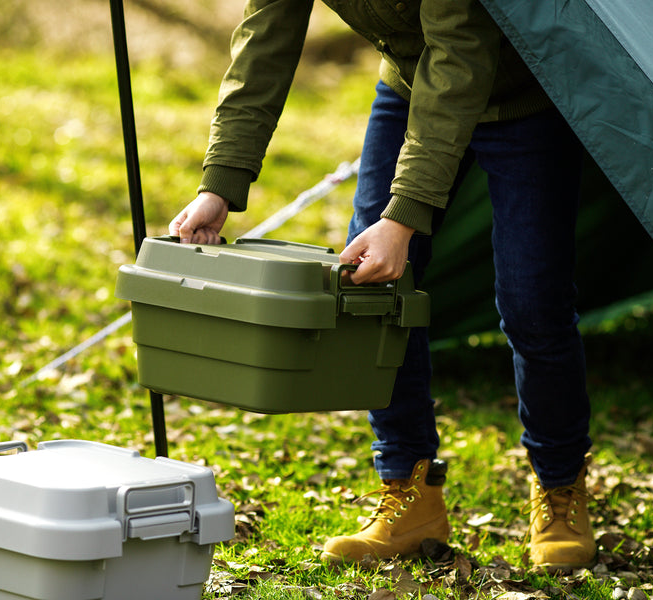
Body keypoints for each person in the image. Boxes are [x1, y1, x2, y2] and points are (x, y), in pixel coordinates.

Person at [168, 0, 595, 572]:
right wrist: (219, 182)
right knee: (371, 296)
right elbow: (263, 45)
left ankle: (560, 488)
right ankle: (409, 489)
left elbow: (460, 51)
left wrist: (406, 213)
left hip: (524, 95)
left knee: (532, 302)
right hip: (412, 86)